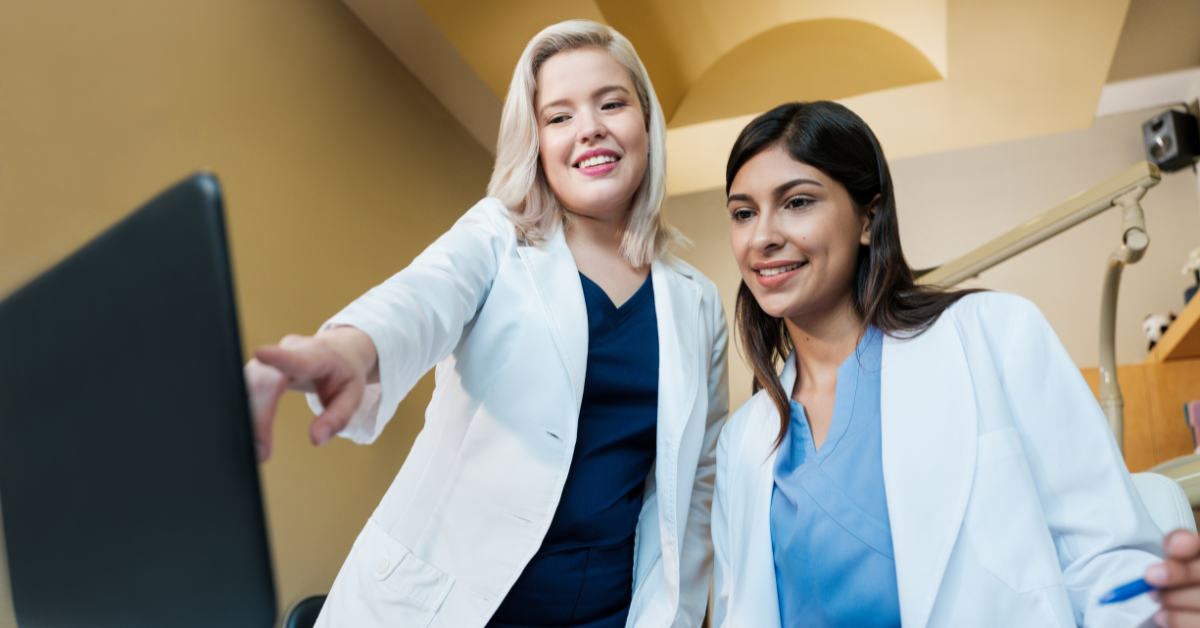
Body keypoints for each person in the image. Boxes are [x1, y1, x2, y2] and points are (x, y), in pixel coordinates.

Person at [244, 20, 727, 628]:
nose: (590, 128)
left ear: (647, 127)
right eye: (558, 117)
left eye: (612, 103)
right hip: (452, 605)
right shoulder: (498, 236)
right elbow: (423, 298)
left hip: (606, 612)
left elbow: (694, 484)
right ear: (536, 142)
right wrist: (348, 348)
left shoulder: (698, 300)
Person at [710, 100, 1200, 628]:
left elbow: (1109, 558)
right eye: (743, 213)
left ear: (868, 219)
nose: (762, 236)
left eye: (797, 202)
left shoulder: (994, 335)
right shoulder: (743, 446)